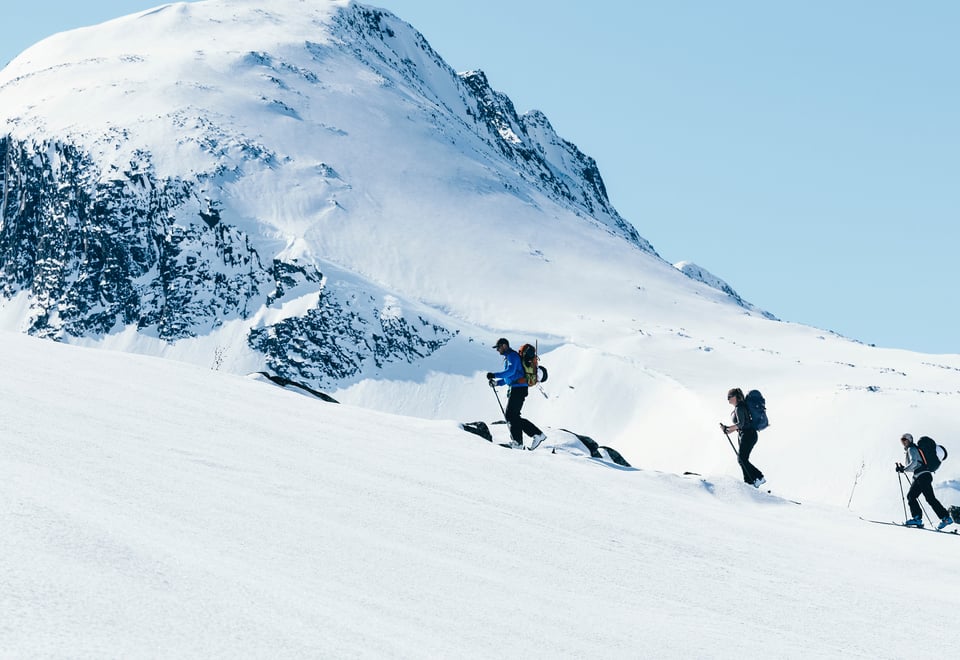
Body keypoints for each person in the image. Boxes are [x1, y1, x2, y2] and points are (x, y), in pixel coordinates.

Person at [486, 338, 547, 450]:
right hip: (517, 388)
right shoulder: (510, 357)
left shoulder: (512, 356)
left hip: (519, 389)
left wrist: (494, 375)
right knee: (513, 416)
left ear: (504, 346)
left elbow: (510, 372)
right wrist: (497, 383)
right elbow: (509, 378)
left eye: (498, 347)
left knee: (510, 415)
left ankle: (527, 438)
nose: (497, 350)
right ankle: (525, 439)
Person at [896, 433, 954, 529]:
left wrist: (904, 469)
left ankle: (945, 518)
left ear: (910, 440)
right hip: (922, 475)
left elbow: (914, 462)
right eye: (902, 440)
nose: (903, 442)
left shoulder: (911, 448)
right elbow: (916, 465)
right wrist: (903, 469)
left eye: (905, 439)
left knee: (927, 498)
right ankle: (918, 518)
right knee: (912, 496)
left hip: (922, 476)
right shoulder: (912, 449)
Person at [723, 387, 766, 488]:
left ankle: (758, 477)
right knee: (742, 459)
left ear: (735, 397)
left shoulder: (740, 407)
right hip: (748, 434)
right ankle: (750, 481)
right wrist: (728, 430)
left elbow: (741, 424)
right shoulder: (740, 407)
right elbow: (741, 425)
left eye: (729, 397)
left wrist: (728, 428)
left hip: (748, 435)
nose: (728, 399)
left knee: (741, 459)